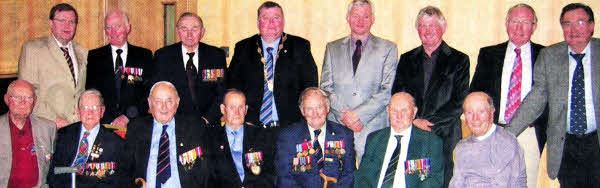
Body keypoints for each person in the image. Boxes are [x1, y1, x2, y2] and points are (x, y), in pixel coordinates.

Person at [506, 3, 600, 187]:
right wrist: (506, 134)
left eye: (580, 23)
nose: (573, 29)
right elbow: (535, 100)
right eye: (567, 24)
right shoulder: (550, 56)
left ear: (592, 26)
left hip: (596, 141)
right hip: (567, 146)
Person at [390, 6, 469, 187]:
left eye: (432, 25)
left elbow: (459, 101)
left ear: (443, 27)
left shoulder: (459, 60)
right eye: (423, 26)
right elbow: (398, 95)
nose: (427, 31)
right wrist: (414, 121)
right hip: (414, 133)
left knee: (442, 182)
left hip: (445, 135)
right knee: (416, 181)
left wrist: (429, 123)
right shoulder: (407, 59)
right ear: (417, 30)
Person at [469, 4, 546, 187]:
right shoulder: (489, 54)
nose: (518, 27)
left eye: (525, 22)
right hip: (495, 132)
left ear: (534, 26)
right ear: (506, 24)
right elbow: (475, 93)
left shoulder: (545, 55)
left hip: (529, 134)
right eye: (514, 21)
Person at [320, 0, 398, 163]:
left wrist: (358, 115)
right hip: (339, 125)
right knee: (337, 179)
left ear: (373, 19)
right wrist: (346, 117)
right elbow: (326, 88)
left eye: (366, 16)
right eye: (356, 16)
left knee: (370, 180)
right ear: (348, 18)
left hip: (373, 127)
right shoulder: (332, 48)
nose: (360, 21)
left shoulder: (388, 48)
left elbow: (387, 90)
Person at [227, 1, 318, 128]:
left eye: (276, 18)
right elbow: (233, 87)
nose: (271, 23)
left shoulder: (299, 47)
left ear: (283, 21)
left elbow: (310, 87)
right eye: (265, 18)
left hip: (290, 127)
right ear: (258, 23)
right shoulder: (243, 48)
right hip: (251, 126)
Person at [118, 81, 214, 187]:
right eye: (158, 101)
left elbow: (207, 170)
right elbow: (123, 170)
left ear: (177, 103)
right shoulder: (136, 128)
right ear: (150, 103)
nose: (164, 107)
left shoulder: (194, 127)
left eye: (169, 101)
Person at [18, 3, 88, 128]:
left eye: (72, 21)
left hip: (77, 126)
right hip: (45, 125)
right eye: (62, 21)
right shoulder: (33, 49)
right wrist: (54, 120)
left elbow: (81, 91)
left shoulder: (83, 52)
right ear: (51, 24)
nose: (67, 25)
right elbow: (26, 94)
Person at [151, 12, 226, 126]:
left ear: (202, 32)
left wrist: (206, 120)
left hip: (209, 125)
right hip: (175, 125)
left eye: (195, 29)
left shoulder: (216, 56)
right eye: (184, 29)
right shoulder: (163, 56)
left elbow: (222, 93)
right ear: (177, 32)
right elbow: (158, 94)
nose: (189, 34)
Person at [355, 92, 444, 188]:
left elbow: (433, 180)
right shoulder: (375, 139)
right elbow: (363, 177)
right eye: (394, 111)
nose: (399, 116)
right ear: (388, 111)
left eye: (404, 111)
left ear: (414, 112)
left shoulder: (430, 142)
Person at [275, 87, 355, 187]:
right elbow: (284, 178)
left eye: (319, 107)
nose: (315, 114)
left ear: (328, 108)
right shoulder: (288, 137)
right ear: (302, 111)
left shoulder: (344, 135)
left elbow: (349, 175)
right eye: (309, 109)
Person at [86, 10, 153, 128]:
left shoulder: (144, 56)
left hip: (136, 124)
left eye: (118, 26)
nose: (113, 32)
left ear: (128, 28)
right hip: (103, 125)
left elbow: (149, 92)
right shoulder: (94, 57)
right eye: (108, 27)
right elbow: (91, 92)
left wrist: (128, 116)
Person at [47, 89, 124, 187]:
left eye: (95, 108)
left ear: (102, 111)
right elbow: (54, 172)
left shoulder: (115, 143)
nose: (90, 112)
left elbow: (117, 180)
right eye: (85, 108)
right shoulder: (64, 134)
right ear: (78, 112)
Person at [450, 92, 526, 187]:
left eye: (481, 112)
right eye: (470, 113)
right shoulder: (461, 148)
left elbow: (516, 184)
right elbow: (456, 184)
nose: (475, 118)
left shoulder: (507, 143)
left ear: (491, 113)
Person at [212, 89, 275, 187]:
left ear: (246, 110)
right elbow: (210, 178)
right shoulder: (211, 139)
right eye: (232, 107)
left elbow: (270, 173)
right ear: (222, 109)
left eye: (241, 107)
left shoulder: (261, 135)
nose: (237, 112)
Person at [0, 80, 56, 187]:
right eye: (17, 97)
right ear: (7, 99)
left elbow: (53, 168)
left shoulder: (48, 128)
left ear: (34, 102)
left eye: (28, 98)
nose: (23, 102)